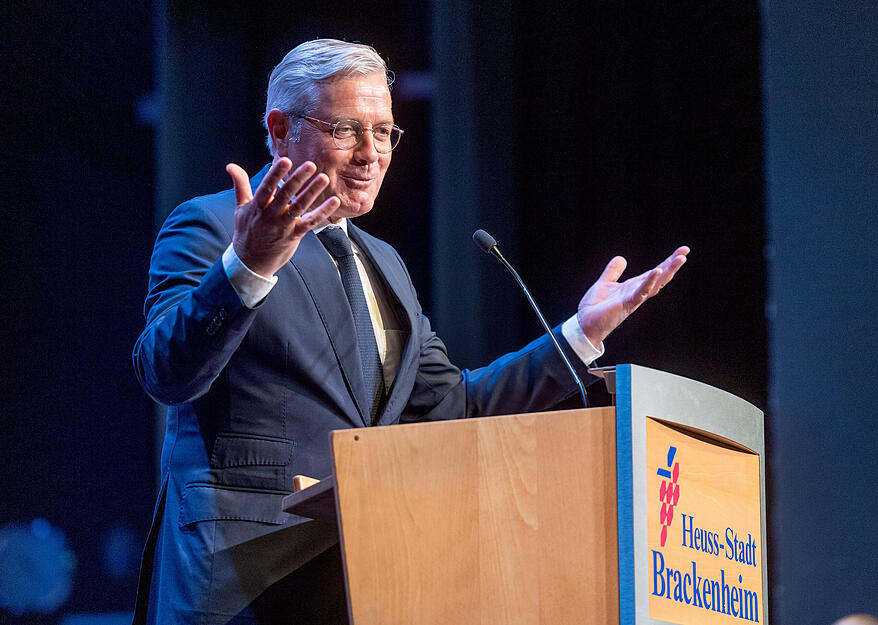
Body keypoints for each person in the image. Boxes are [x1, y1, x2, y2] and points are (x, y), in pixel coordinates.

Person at [132, 38, 689, 624]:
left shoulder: (384, 264)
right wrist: (248, 266)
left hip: (371, 576)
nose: (370, 154)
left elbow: (455, 406)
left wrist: (580, 334)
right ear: (279, 130)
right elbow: (165, 372)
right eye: (346, 130)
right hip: (239, 582)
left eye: (384, 132)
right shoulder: (213, 226)